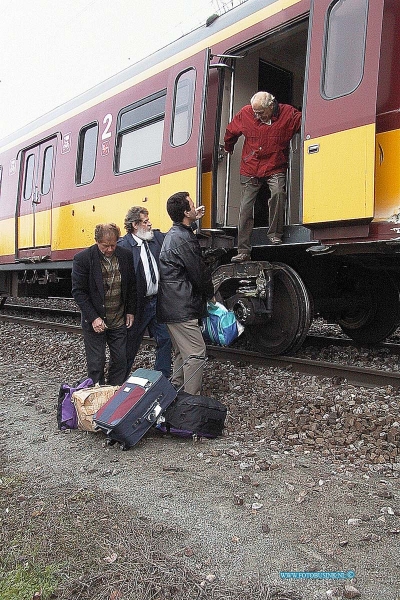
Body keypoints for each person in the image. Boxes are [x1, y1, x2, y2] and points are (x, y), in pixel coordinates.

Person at [224, 91, 301, 261]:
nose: (257, 116)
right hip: (251, 167)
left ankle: (275, 234)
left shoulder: (288, 113)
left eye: (260, 112)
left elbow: (307, 121)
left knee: (278, 194)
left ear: (271, 106)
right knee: (245, 208)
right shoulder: (246, 113)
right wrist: (228, 147)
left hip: (275, 165)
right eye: (255, 112)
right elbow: (231, 131)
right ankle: (243, 251)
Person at [157, 192, 214, 395]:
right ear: (184, 211)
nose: (195, 206)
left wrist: (194, 221)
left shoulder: (176, 233)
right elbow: (198, 272)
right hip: (181, 306)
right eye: (191, 205)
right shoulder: (182, 239)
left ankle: (175, 392)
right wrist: (211, 294)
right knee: (196, 353)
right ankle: (191, 401)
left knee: (182, 353)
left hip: (172, 305)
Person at [72, 223, 136, 386]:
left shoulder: (125, 255)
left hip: (118, 318)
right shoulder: (83, 259)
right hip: (95, 321)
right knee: (96, 364)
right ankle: (97, 396)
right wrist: (93, 318)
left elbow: (132, 286)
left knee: (121, 360)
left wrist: (130, 310)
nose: (109, 249)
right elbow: (78, 292)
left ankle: (114, 393)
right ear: (97, 241)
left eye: (113, 245)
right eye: (105, 246)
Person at [118, 206, 172, 379]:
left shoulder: (155, 238)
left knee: (165, 339)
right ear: (135, 224)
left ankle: (161, 377)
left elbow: (173, 235)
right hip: (137, 306)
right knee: (131, 344)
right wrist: (127, 309)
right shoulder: (124, 246)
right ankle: (119, 379)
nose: (150, 224)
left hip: (157, 302)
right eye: (145, 221)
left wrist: (192, 223)